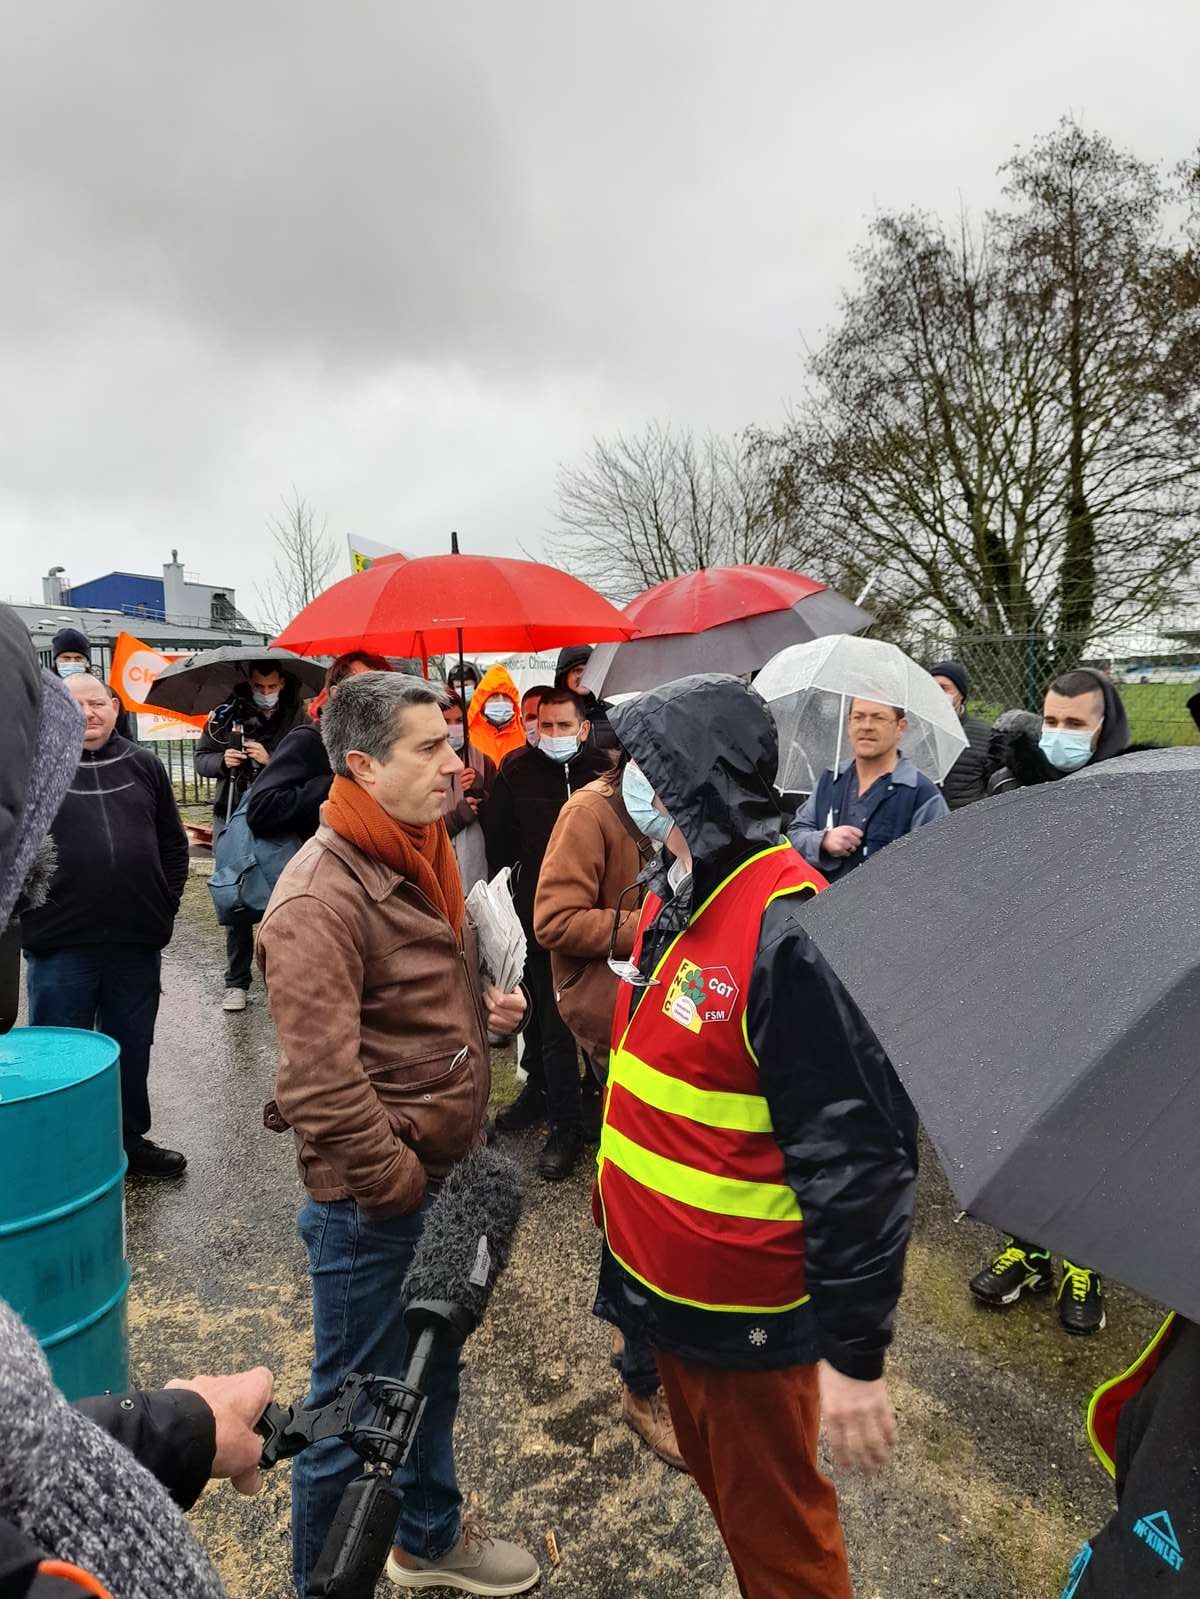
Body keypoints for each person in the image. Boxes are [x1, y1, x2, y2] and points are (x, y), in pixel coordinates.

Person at [594, 674, 916, 1599]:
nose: (633, 787)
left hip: (747, 1317)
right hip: (668, 1295)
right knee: (734, 1505)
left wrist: (855, 1354)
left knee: (782, 1539)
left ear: (696, 782)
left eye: (651, 769)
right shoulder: (677, 892)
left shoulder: (790, 928)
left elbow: (860, 1157)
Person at [256, 672, 539, 1598]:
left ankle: (426, 1537)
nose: (456, 764)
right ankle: (322, 1585)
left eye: (452, 742)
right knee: (351, 1419)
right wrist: (398, 1187)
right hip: (373, 1207)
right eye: (431, 748)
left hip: (445, 1177)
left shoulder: (422, 852)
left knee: (431, 1375)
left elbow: (418, 1008)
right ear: (364, 764)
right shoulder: (316, 898)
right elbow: (319, 1085)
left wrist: (488, 1013)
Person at [968, 668, 1133, 1337]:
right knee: (1020, 1121)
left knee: (1095, 1127)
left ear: (1105, 726)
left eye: (1077, 723)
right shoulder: (1016, 777)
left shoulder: (1130, 791)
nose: (1061, 735)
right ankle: (1029, 1249)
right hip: (1024, 983)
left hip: (1104, 987)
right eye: (1052, 721)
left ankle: (1086, 1260)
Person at [533, 758, 685, 1470]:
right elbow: (554, 920)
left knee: (648, 1206)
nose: (663, 798)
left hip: (661, 1026)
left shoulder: (702, 832)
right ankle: (640, 1380)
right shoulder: (591, 814)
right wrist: (648, 924)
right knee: (630, 1196)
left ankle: (646, 1356)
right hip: (613, 1011)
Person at [20, 673, 190, 1180]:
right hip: (59, 942)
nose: (89, 713)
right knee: (59, 1051)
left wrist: (165, 903)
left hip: (135, 938)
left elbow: (173, 845)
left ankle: (128, 1140)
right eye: (77, 704)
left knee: (131, 1044)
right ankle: (61, 1153)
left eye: (99, 702)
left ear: (116, 707)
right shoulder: (31, 768)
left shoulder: (144, 765)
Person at [485, 687, 612, 1180]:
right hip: (542, 922)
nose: (553, 736)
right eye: (545, 726)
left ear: (583, 728)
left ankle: (606, 1111)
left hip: (600, 922)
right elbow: (500, 846)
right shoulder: (516, 770)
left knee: (604, 1023)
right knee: (554, 1031)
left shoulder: (605, 770)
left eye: (563, 726)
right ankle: (564, 1127)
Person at [194, 661, 305, 1012]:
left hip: (277, 816)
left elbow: (306, 764)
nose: (266, 694)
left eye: (272, 687)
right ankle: (236, 981)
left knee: (282, 895)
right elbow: (202, 759)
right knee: (235, 892)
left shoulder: (297, 718)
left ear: (283, 684)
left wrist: (271, 760)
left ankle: (282, 977)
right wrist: (223, 761)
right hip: (231, 813)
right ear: (250, 683)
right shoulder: (225, 716)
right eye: (260, 686)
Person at [788, 698, 949, 882]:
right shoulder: (830, 779)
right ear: (849, 724)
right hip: (822, 904)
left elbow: (938, 870)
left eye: (878, 718)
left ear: (900, 727)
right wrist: (823, 841)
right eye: (858, 717)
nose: (866, 726)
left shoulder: (921, 795)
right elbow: (796, 835)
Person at [247, 651, 392, 844]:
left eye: (381, 688)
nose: (373, 698)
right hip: (315, 863)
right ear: (336, 693)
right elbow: (260, 810)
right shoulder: (308, 741)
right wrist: (339, 783)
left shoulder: (384, 745)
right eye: (363, 687)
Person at [441, 689, 497, 896]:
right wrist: (455, 819)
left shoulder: (483, 762)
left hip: (480, 878)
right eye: (446, 721)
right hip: (438, 876)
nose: (453, 728)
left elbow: (501, 823)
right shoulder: (418, 767)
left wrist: (482, 794)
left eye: (459, 720)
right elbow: (416, 829)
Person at [928, 660, 995, 808]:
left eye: (944, 688)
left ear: (961, 695)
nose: (938, 694)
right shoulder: (919, 734)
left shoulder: (986, 735)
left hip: (970, 823)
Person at [50, 625, 133, 738]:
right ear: (56, 661)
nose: (72, 662)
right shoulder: (43, 692)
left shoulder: (105, 692)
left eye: (78, 658)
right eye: (66, 658)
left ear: (87, 662)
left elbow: (123, 733)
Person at [464, 664, 526, 768]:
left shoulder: (524, 733)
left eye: (506, 696)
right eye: (494, 696)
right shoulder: (467, 735)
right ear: (482, 702)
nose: (501, 701)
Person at [519, 684, 553, 751]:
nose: (538, 724)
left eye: (546, 716)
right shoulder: (512, 760)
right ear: (522, 723)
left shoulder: (577, 759)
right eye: (531, 718)